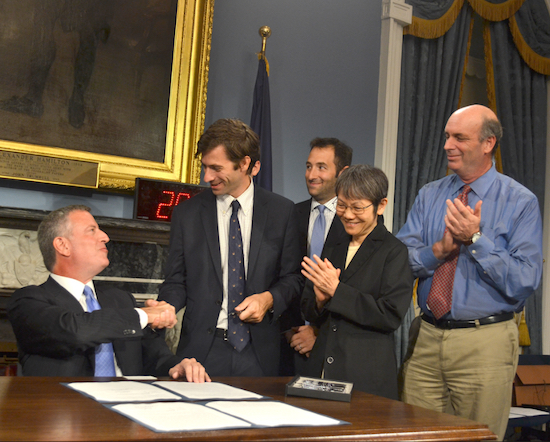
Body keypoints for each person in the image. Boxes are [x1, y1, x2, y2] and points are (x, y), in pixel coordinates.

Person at [396, 104, 543, 440]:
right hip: (426, 339)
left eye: (459, 137)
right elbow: (400, 260)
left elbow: (524, 280)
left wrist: (475, 240)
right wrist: (438, 252)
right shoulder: (429, 195)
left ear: (488, 143)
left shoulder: (520, 202)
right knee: (415, 435)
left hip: (485, 343)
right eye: (447, 136)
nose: (448, 144)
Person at [158, 118, 303, 377]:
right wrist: (166, 307)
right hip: (201, 353)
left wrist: (268, 299)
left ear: (246, 164)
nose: (207, 177)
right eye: (204, 167)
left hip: (260, 353)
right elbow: (175, 280)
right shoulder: (187, 214)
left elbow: (292, 279)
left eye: (216, 168)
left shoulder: (283, 212)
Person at [7, 205, 210, 381]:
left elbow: (155, 357)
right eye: (92, 230)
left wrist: (176, 366)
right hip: (68, 415)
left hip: (131, 410)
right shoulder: (27, 302)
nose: (105, 237)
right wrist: (143, 315)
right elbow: (76, 330)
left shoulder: (121, 300)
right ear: (63, 245)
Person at [301, 165, 413, 399]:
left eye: (357, 207)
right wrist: (320, 302)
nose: (348, 214)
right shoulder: (334, 245)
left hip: (364, 375)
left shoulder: (394, 252)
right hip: (322, 369)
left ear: (381, 205)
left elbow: (389, 315)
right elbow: (310, 309)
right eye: (341, 205)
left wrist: (336, 291)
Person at [280, 138, 352, 376]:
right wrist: (291, 330)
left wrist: (318, 334)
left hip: (334, 347)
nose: (311, 175)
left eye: (321, 167)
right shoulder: (290, 214)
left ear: (342, 173)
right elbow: (281, 275)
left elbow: (353, 286)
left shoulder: (355, 222)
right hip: (288, 343)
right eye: (309, 166)